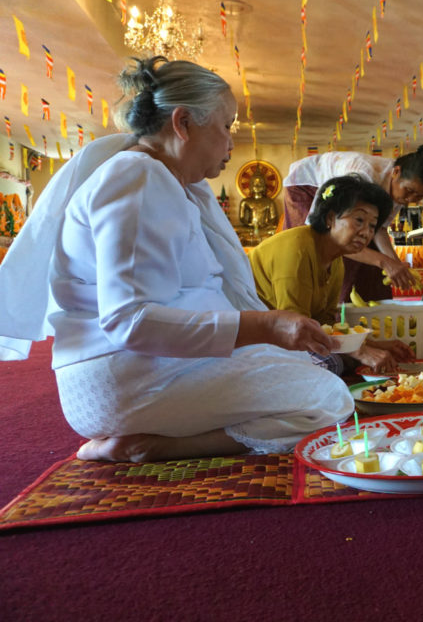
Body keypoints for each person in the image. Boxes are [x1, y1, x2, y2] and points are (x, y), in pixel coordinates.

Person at [0, 56, 351, 462]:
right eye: (226, 126)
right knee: (329, 399)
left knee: (314, 369)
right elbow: (128, 320)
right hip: (122, 376)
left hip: (154, 364)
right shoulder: (138, 177)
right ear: (183, 123)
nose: (231, 143)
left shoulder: (166, 183)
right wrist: (265, 325)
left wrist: (268, 335)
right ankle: (154, 446)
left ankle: (153, 437)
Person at [248, 175, 414, 373]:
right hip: (256, 339)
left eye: (372, 225)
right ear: (329, 219)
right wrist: (360, 352)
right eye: (359, 220)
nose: (366, 233)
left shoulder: (335, 261)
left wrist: (373, 344)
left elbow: (325, 321)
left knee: (349, 360)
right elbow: (294, 325)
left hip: (289, 332)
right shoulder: (297, 250)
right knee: (330, 364)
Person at [281, 146, 423, 302]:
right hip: (306, 184)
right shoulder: (361, 175)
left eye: (420, 196)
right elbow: (332, 236)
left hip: (347, 192)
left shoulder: (399, 191)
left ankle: (368, 316)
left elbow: (380, 228)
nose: (412, 199)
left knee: (369, 260)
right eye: (410, 191)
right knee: (315, 246)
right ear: (396, 172)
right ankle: (329, 313)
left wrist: (394, 263)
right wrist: (384, 261)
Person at [238, 168, 279, 242]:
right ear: (250, 185)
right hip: (250, 228)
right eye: (255, 183)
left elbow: (273, 218)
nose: (257, 186)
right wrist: (249, 224)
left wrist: (267, 224)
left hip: (265, 228)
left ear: (264, 186)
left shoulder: (269, 202)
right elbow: (242, 218)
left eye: (260, 183)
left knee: (275, 229)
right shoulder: (245, 202)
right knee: (236, 229)